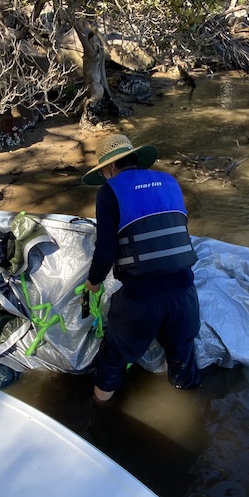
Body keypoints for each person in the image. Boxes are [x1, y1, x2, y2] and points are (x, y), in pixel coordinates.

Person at [82, 134, 201, 402]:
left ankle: (98, 416)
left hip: (141, 298)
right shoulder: (170, 182)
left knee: (112, 358)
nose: (104, 177)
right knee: (182, 355)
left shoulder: (109, 192)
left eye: (103, 172)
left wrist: (94, 281)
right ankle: (191, 410)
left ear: (111, 166)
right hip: (185, 292)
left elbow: (106, 249)